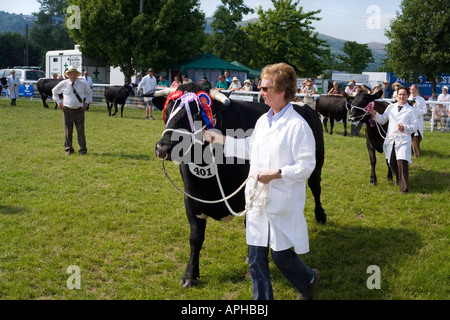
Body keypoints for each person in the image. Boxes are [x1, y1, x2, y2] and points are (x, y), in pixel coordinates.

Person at [203, 62, 319, 300]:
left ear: (282, 90)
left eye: (266, 88)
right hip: (257, 199)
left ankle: (308, 280)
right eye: (261, 87)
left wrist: (276, 173)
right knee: (256, 259)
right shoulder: (262, 121)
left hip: (280, 200)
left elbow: (307, 166)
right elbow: (251, 148)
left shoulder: (298, 126)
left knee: (280, 256)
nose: (261, 92)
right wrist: (222, 139)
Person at [370, 86, 418, 194]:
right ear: (397, 95)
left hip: (403, 139)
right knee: (392, 163)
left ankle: (404, 189)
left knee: (402, 163)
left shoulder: (411, 110)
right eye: (400, 94)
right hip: (391, 139)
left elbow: (415, 126)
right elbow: (382, 120)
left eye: (404, 94)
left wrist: (404, 128)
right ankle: (398, 177)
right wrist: (375, 115)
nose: (402, 96)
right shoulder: (391, 107)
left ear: (408, 96)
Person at [52, 66, 92, 156]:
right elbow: (54, 91)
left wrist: (86, 103)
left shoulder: (82, 84)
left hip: (79, 110)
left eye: (74, 74)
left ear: (77, 75)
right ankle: (68, 149)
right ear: (68, 75)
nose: (73, 76)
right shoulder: (63, 83)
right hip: (67, 111)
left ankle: (82, 150)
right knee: (67, 131)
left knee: (80, 131)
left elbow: (89, 92)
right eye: (71, 74)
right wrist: (58, 102)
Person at [409, 84, 427, 157]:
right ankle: (417, 155)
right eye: (411, 89)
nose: (413, 91)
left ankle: (411, 150)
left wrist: (416, 113)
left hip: (418, 121)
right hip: (410, 121)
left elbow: (424, 110)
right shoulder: (407, 99)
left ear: (417, 90)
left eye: (414, 89)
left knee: (419, 137)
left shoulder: (421, 99)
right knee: (415, 138)